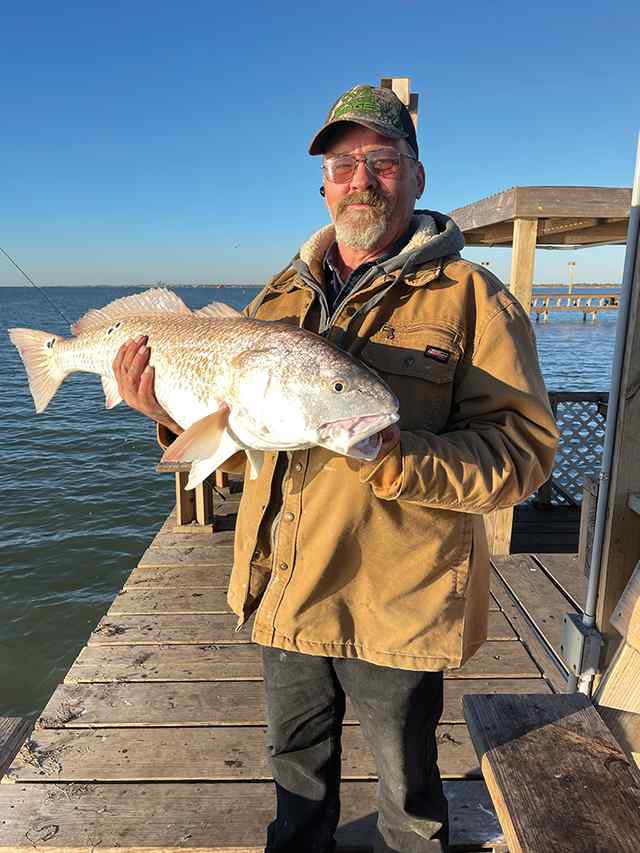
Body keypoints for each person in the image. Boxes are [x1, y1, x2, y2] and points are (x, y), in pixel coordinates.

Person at [113, 84, 559, 853]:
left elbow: (521, 455)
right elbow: (231, 444)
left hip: (395, 602)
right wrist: (159, 409)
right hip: (283, 587)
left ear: (416, 178)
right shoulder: (279, 296)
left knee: (409, 801)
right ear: (323, 184)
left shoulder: (476, 301)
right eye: (344, 163)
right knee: (296, 784)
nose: (362, 179)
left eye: (383, 161)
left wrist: (397, 457)